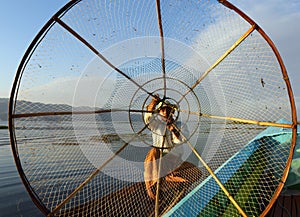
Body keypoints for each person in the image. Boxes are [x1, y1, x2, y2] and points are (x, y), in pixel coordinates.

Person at [144, 94, 201, 200]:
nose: (165, 112)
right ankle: (152, 187)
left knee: (196, 172)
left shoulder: (179, 124)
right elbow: (147, 117)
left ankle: (168, 176)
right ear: (159, 112)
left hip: (173, 160)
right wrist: (153, 102)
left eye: (168, 109)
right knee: (153, 152)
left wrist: (174, 130)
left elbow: (182, 140)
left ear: (172, 112)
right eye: (162, 110)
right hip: (158, 160)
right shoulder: (155, 123)